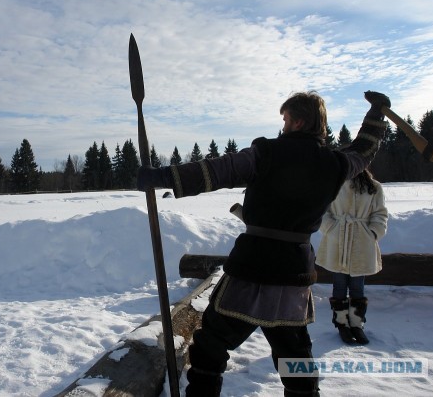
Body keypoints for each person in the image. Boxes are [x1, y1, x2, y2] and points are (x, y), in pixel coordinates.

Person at [137, 90, 390, 397]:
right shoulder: (335, 164)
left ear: (296, 121)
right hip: (293, 275)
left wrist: (161, 176)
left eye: (285, 119)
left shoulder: (267, 153)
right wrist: (377, 114)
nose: (282, 125)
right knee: (294, 354)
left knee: (211, 345)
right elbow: (363, 151)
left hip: (252, 267)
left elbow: (218, 170)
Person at [316, 169, 388, 345]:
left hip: (362, 242)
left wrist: (372, 232)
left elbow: (380, 213)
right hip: (338, 240)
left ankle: (357, 325)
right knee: (339, 284)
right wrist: (331, 228)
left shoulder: (374, 187)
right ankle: (342, 324)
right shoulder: (333, 184)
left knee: (357, 286)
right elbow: (322, 211)